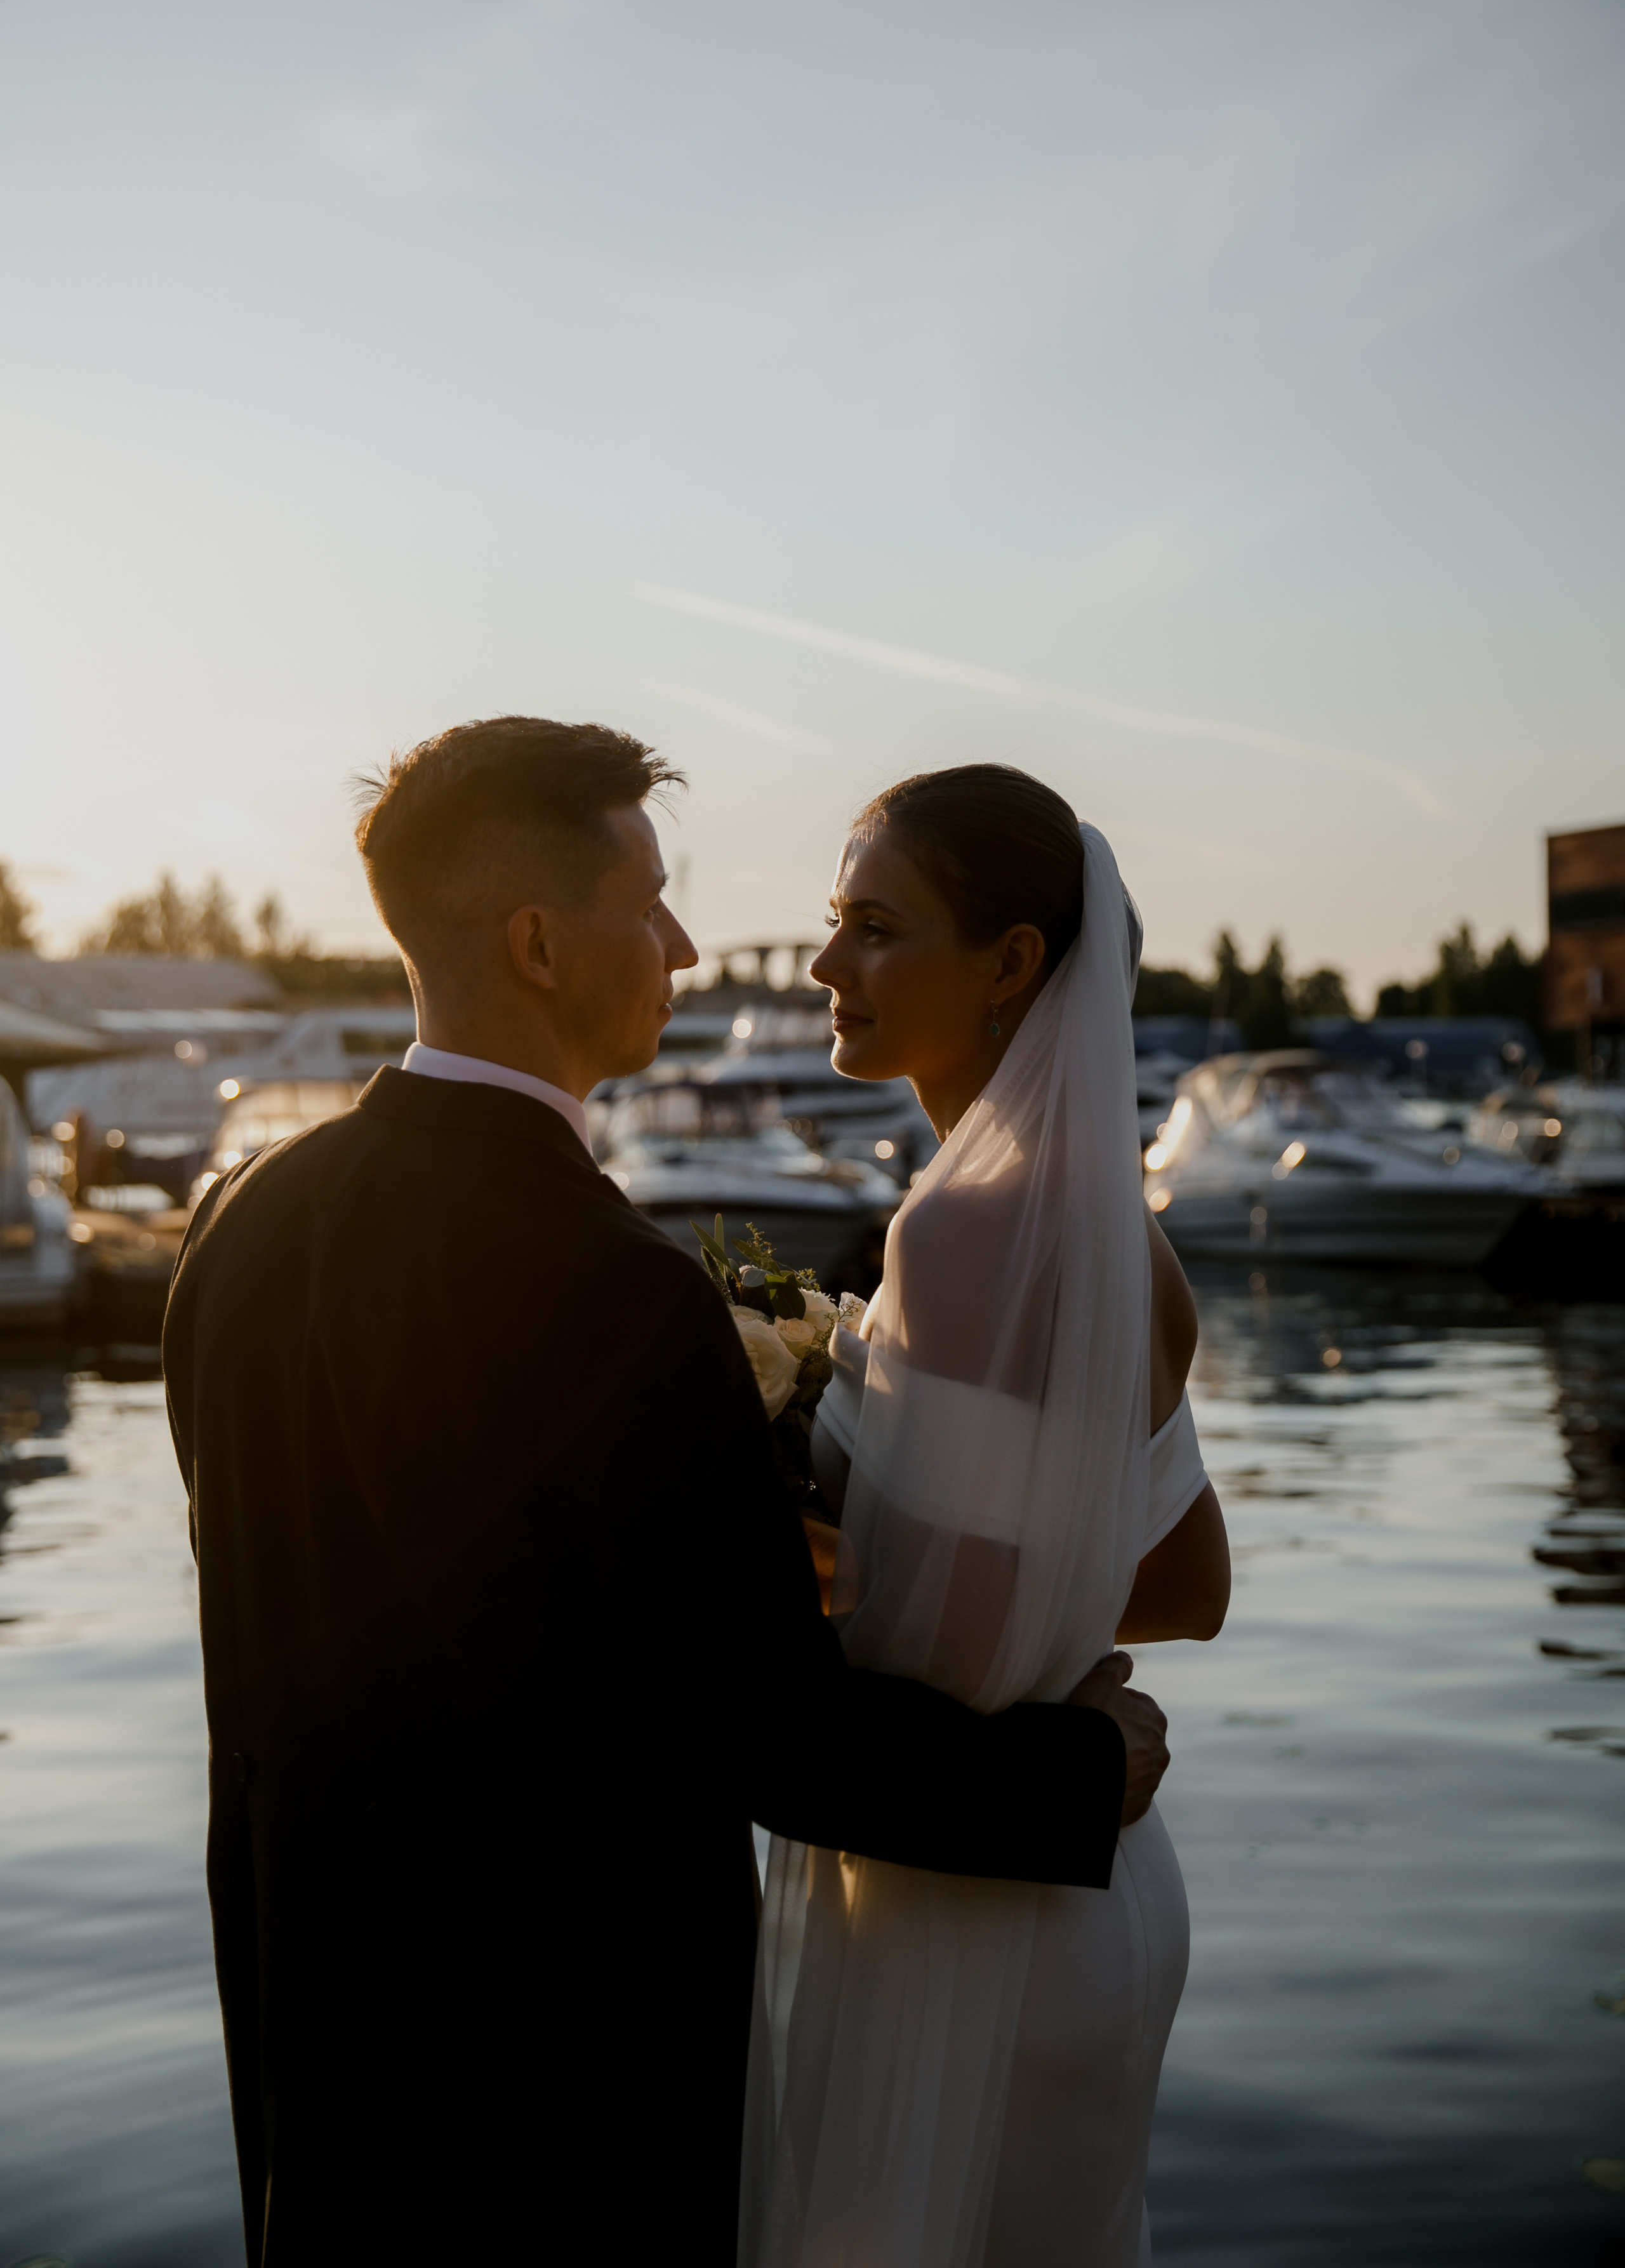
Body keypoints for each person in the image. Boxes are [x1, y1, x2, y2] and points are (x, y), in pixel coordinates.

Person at [162, 717, 1170, 2266]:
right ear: (538, 944)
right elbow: (770, 1734)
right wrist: (1079, 1773)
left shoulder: (237, 1227)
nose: (685, 948)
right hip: (565, 2102)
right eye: (649, 905)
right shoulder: (617, 1292)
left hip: (320, 2071)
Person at [740, 765, 1231, 2268]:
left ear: (1011, 962)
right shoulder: (1123, 1239)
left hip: (971, 1899)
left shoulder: (960, 1231)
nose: (825, 964)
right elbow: (1184, 1584)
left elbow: (930, 1659)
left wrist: (754, 1543)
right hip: (1102, 1887)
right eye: (834, 921)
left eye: (875, 928)